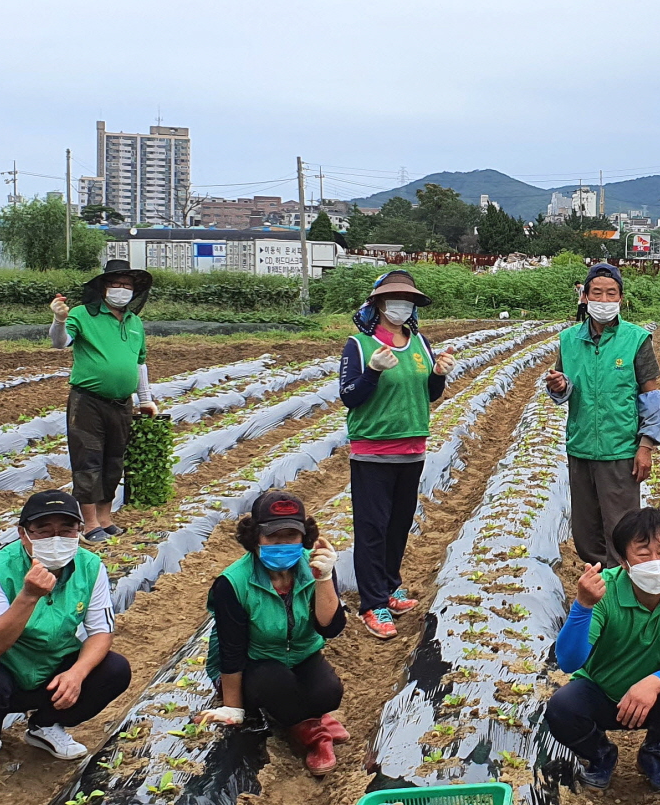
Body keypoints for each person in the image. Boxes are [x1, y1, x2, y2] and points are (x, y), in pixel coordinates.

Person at [0, 489, 132, 779]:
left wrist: (77, 674)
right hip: (1, 670)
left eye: (66, 530)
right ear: (24, 534)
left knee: (114, 668)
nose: (55, 539)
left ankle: (46, 725)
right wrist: (28, 596)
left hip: (50, 671)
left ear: (80, 531)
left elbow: (101, 632)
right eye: (44, 531)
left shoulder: (90, 566)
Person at [549, 507, 660, 792]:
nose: (655, 562)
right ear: (623, 561)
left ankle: (655, 754)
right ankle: (601, 756)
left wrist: (654, 683)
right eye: (643, 554)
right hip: (606, 695)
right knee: (563, 708)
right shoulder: (604, 591)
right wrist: (583, 606)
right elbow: (568, 662)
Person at [197, 489, 349, 775]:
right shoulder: (233, 582)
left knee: (329, 693)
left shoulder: (313, 565)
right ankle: (313, 736)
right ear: (256, 538)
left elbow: (330, 628)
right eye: (273, 537)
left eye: (291, 536)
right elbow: (231, 649)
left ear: (303, 537)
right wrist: (233, 707)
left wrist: (325, 578)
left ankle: (310, 717)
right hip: (256, 661)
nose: (282, 544)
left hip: (302, 654)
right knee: (276, 686)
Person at [341, 270, 458, 641]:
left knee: (397, 526)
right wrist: (373, 371)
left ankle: (390, 587)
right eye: (395, 299)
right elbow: (349, 396)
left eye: (408, 300)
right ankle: (372, 603)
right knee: (372, 528)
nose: (402, 305)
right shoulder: (360, 346)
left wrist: (438, 373)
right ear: (377, 302)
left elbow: (430, 393)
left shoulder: (420, 343)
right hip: (373, 450)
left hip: (412, 450)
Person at [543, 263, 660, 568]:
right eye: (597, 293)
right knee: (586, 533)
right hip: (581, 448)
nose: (604, 299)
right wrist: (559, 386)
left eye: (611, 293)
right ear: (585, 297)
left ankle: (621, 591)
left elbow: (650, 397)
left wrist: (645, 446)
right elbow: (565, 387)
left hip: (620, 451)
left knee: (621, 530)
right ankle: (598, 590)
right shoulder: (570, 340)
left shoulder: (636, 339)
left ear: (621, 298)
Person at [49, 259, 161, 543]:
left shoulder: (134, 322)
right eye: (116, 284)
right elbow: (60, 343)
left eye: (127, 286)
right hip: (88, 402)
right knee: (88, 461)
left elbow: (139, 364)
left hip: (122, 403)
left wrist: (145, 399)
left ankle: (106, 518)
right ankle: (89, 525)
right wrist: (58, 320)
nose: (122, 290)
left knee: (114, 462)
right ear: (103, 287)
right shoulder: (82, 315)